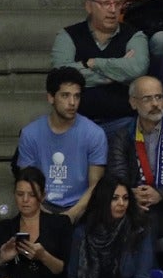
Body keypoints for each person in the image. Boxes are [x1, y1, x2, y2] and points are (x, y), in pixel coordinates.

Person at [104, 76, 163, 238]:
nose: (155, 104)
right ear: (133, 102)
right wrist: (132, 194)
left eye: (159, 97)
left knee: (147, 224)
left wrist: (160, 194)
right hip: (134, 203)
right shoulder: (122, 136)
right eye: (147, 99)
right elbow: (117, 174)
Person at [52, 0, 150, 124]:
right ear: (89, 6)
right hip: (77, 123)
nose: (112, 10)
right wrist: (117, 74)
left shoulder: (134, 36)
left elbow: (137, 69)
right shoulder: (68, 35)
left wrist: (92, 63)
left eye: (117, 4)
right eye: (106, 4)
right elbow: (62, 76)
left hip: (124, 121)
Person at [18, 70, 107, 225]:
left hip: (81, 209)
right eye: (65, 95)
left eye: (77, 96)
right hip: (41, 207)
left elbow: (95, 186)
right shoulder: (30, 134)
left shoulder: (94, 134)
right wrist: (46, 216)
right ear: (51, 97)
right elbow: (27, 183)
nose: (72, 102)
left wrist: (69, 216)